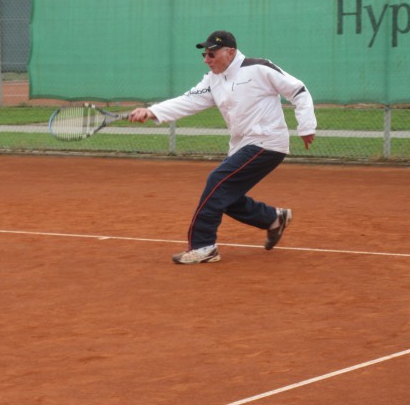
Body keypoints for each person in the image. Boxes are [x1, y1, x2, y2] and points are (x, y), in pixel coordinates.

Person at [129, 30, 317, 264]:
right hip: (242, 145)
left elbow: (298, 90)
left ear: (230, 52)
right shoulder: (213, 79)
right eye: (204, 55)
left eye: (212, 54)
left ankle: (204, 246)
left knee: (217, 181)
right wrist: (151, 111)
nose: (206, 60)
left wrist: (306, 126)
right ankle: (273, 219)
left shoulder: (259, 68)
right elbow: (188, 100)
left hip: (267, 141)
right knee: (225, 195)